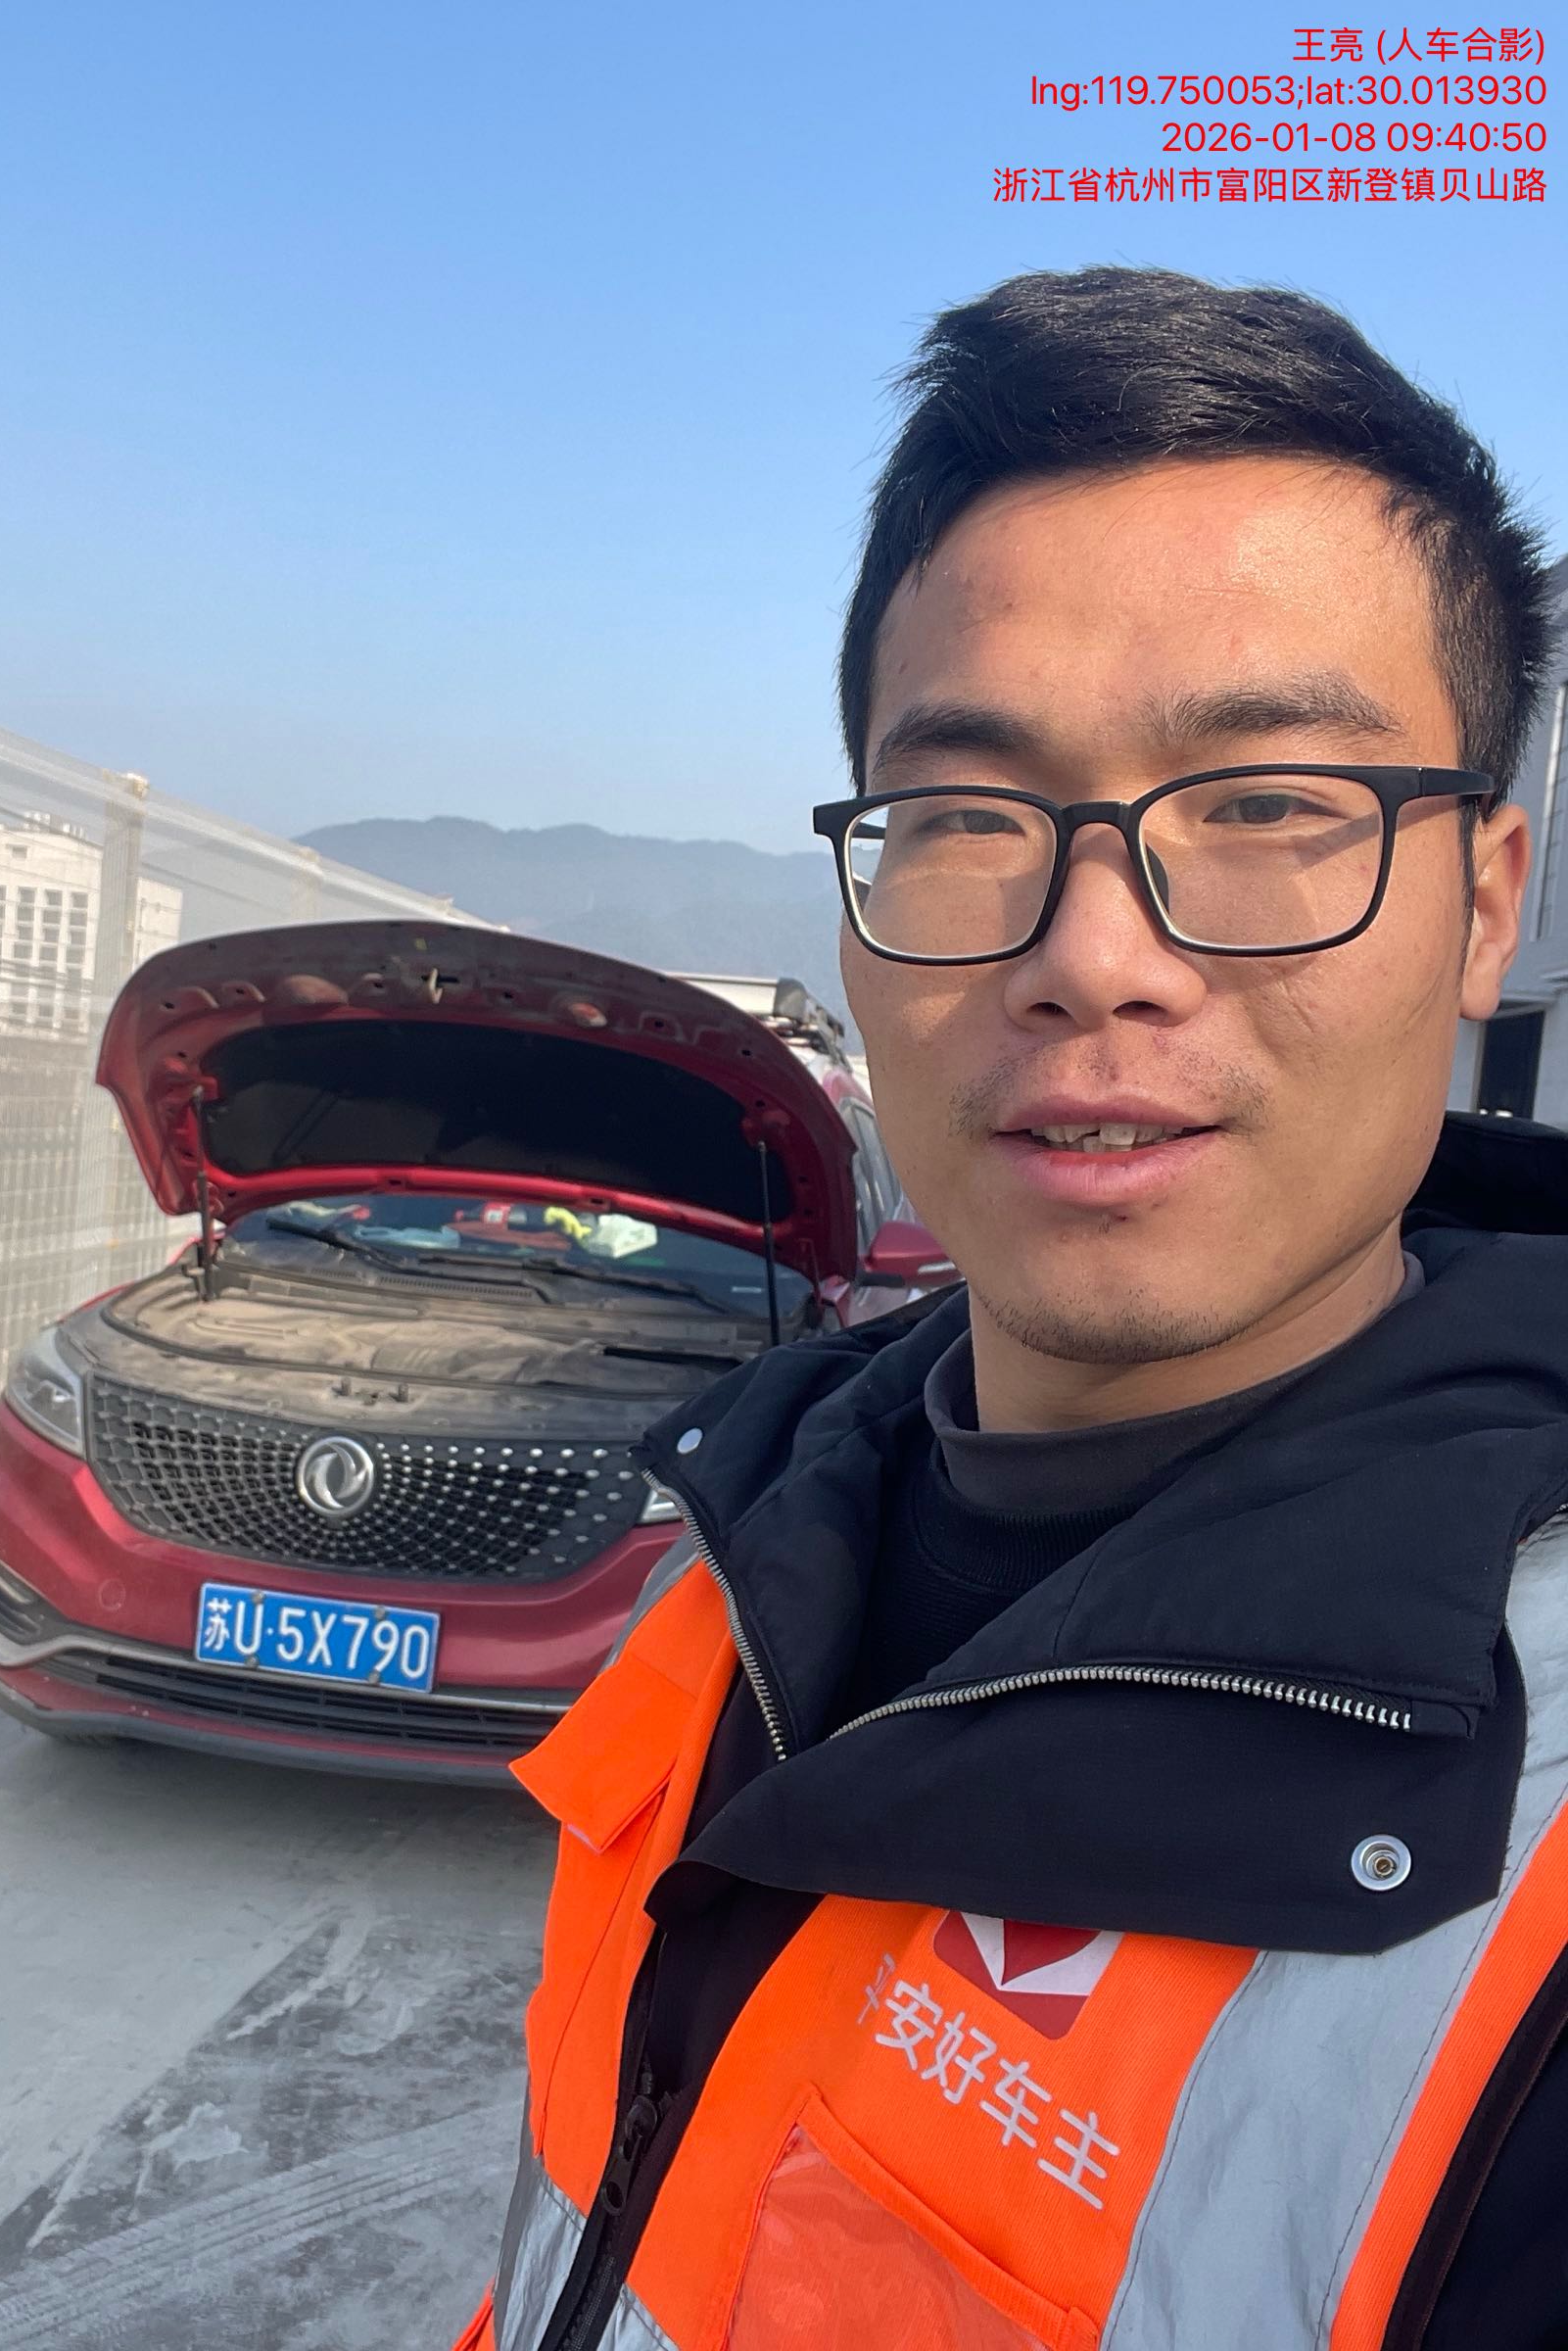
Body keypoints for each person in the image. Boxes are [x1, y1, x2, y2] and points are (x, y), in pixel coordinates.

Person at [452, 267, 1568, 2351]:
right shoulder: (745, 1550)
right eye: (970, 819)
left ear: (1485, 902)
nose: (1094, 957)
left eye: (1268, 809)